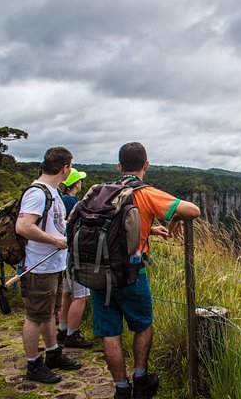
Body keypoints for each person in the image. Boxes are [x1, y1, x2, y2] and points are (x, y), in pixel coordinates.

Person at [93, 142, 200, 399]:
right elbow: (193, 210)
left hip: (98, 273)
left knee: (110, 332)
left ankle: (120, 388)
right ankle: (140, 379)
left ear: (119, 167)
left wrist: (149, 228)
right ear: (146, 165)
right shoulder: (146, 193)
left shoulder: (101, 191)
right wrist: (174, 218)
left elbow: (111, 227)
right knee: (142, 325)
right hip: (131, 273)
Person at [15, 147, 82, 384]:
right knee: (35, 316)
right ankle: (33, 365)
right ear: (64, 168)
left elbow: (52, 223)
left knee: (49, 313)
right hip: (39, 266)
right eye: (70, 166)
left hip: (54, 265)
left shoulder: (52, 191)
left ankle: (53, 353)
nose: (70, 170)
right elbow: (23, 227)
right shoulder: (38, 192)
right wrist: (55, 240)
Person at [56, 168, 93, 348]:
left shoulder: (61, 200)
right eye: (79, 181)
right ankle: (72, 334)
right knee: (81, 296)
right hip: (75, 253)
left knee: (67, 293)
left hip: (65, 254)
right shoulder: (73, 203)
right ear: (75, 184)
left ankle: (63, 329)